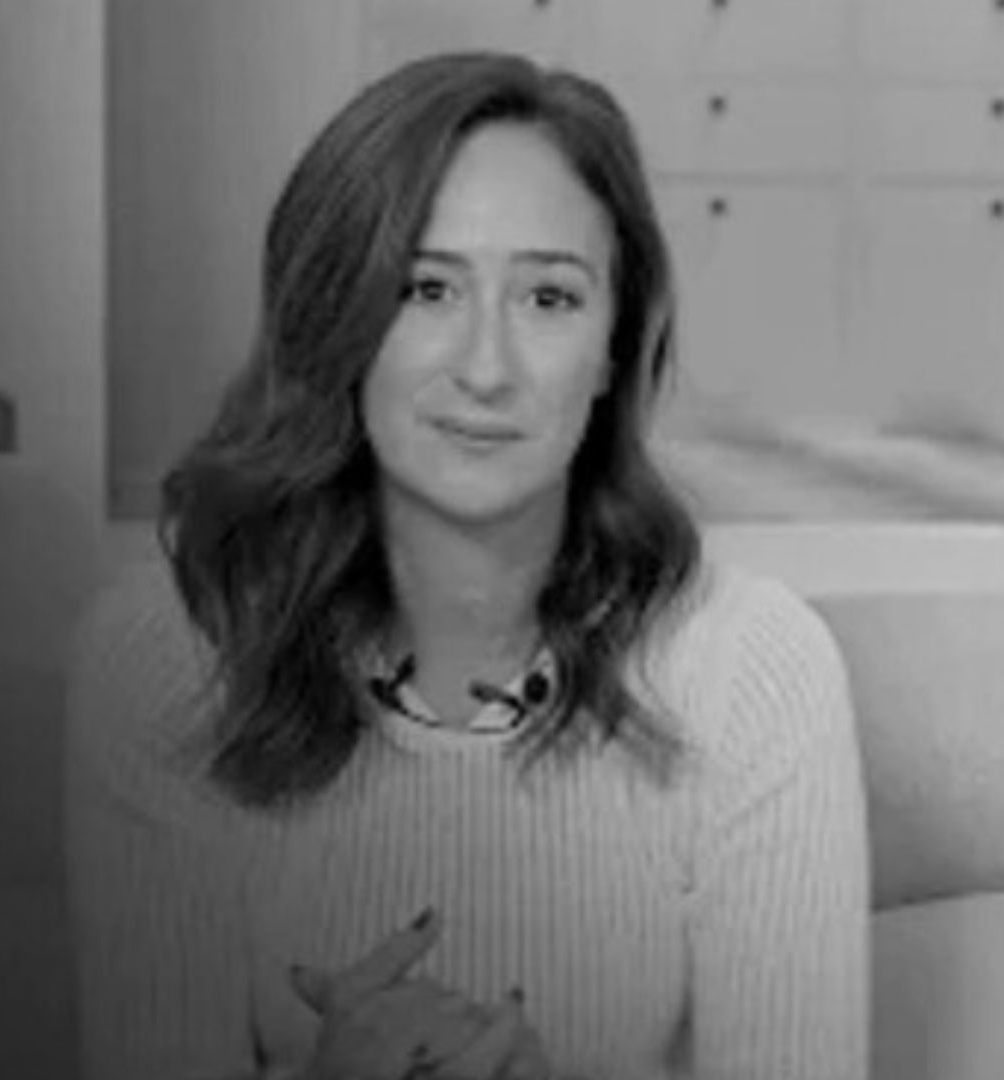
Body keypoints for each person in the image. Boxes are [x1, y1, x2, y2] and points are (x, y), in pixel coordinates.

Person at [65, 52, 870, 1080]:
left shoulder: (752, 667)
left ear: (613, 344)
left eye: (550, 298)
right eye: (426, 289)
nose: (487, 368)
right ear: (337, 323)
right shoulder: (164, 657)